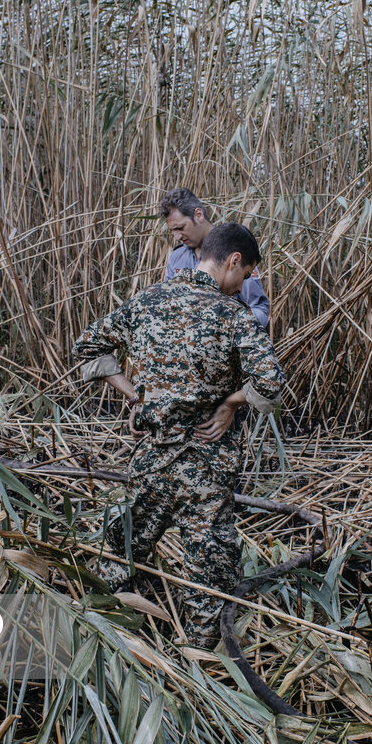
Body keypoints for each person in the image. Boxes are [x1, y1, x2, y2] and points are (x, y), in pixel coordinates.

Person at [72, 223, 285, 649]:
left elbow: (88, 346)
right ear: (233, 261)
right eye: (244, 277)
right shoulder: (234, 316)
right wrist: (229, 405)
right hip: (209, 464)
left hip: (153, 458)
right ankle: (197, 664)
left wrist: (136, 397)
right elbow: (272, 383)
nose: (242, 286)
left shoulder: (146, 301)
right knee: (208, 570)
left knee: (122, 549)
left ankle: (98, 635)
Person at [160, 188, 270, 328]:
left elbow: (260, 310)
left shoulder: (235, 250)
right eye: (173, 231)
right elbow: (167, 304)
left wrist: (225, 325)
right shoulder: (176, 258)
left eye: (180, 228)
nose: (177, 237)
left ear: (198, 215)